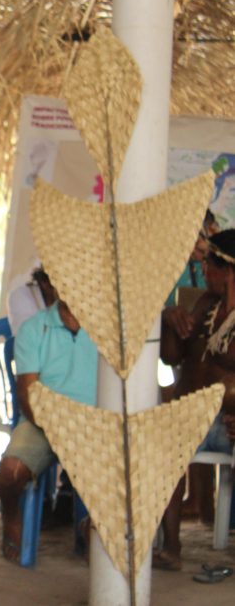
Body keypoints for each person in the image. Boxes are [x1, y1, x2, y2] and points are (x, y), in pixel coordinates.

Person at [0, 268, 98, 563]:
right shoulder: (34, 328)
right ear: (51, 285)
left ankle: (89, 525)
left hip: (92, 423)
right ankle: (12, 515)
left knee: (115, 474)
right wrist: (55, 425)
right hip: (43, 420)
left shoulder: (104, 328)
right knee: (10, 472)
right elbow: (27, 393)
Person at [157, 228, 235, 571]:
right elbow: (171, 359)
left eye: (210, 266)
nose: (203, 271)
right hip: (192, 416)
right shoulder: (202, 303)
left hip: (229, 421)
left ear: (229, 270)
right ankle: (171, 547)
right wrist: (168, 321)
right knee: (166, 442)